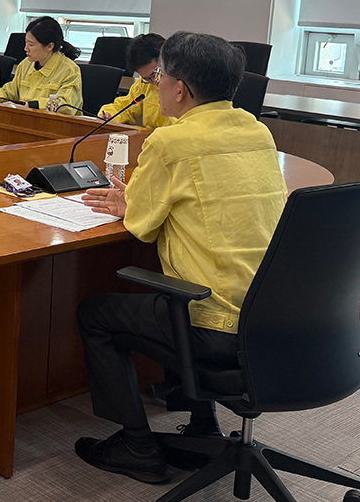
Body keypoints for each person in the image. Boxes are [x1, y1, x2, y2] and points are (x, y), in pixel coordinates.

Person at [74, 32, 288, 484]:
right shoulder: (257, 131)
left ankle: (137, 445)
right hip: (271, 313)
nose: (156, 85)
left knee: (98, 313)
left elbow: (143, 225)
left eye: (160, 78)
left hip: (216, 324)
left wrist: (130, 203)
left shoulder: (170, 142)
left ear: (181, 89)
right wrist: (139, 200)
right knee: (179, 283)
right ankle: (203, 424)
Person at [0, 16, 82, 111]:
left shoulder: (69, 70)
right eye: (26, 43)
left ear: (50, 46)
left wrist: (30, 106)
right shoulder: (26, 64)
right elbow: (10, 91)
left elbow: (66, 105)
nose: (26, 49)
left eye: (31, 44)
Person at [97, 33, 175, 129]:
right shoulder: (144, 85)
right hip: (150, 137)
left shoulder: (185, 85)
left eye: (157, 73)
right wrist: (110, 115)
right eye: (147, 79)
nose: (156, 82)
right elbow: (125, 107)